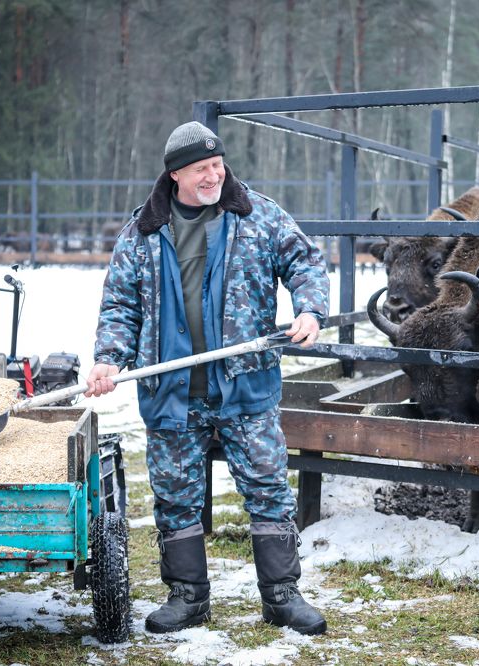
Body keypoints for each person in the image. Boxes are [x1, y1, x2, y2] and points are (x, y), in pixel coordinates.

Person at [86, 120, 330, 636]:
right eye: (202, 169)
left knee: (267, 487)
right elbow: (119, 305)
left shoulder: (257, 215)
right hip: (173, 391)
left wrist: (309, 309)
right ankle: (187, 597)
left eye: (218, 166)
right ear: (176, 174)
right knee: (176, 493)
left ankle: (282, 596)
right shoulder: (143, 232)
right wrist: (109, 358)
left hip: (246, 384)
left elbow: (305, 260)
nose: (214, 176)